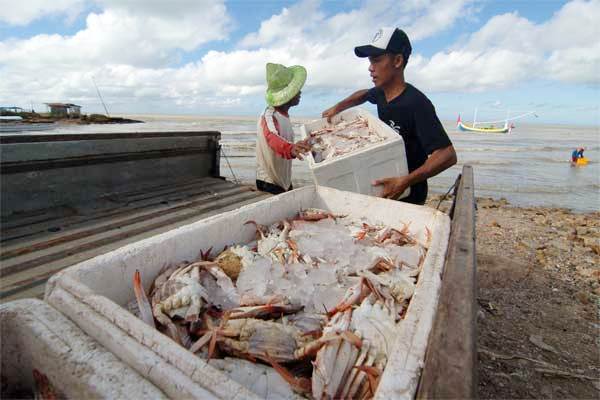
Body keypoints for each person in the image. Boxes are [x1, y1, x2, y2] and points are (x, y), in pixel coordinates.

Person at [322, 27, 457, 205]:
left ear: (398, 61)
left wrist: (406, 181)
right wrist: (338, 107)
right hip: (386, 182)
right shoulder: (381, 93)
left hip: (409, 193)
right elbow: (363, 94)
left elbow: (447, 155)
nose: (370, 68)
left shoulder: (416, 103)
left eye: (377, 60)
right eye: (370, 61)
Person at [256, 63, 311, 195]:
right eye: (296, 89)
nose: (300, 92)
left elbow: (283, 139)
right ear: (287, 94)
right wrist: (290, 149)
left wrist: (301, 145)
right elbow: (272, 137)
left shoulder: (284, 115)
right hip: (269, 182)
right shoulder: (269, 115)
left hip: (284, 181)